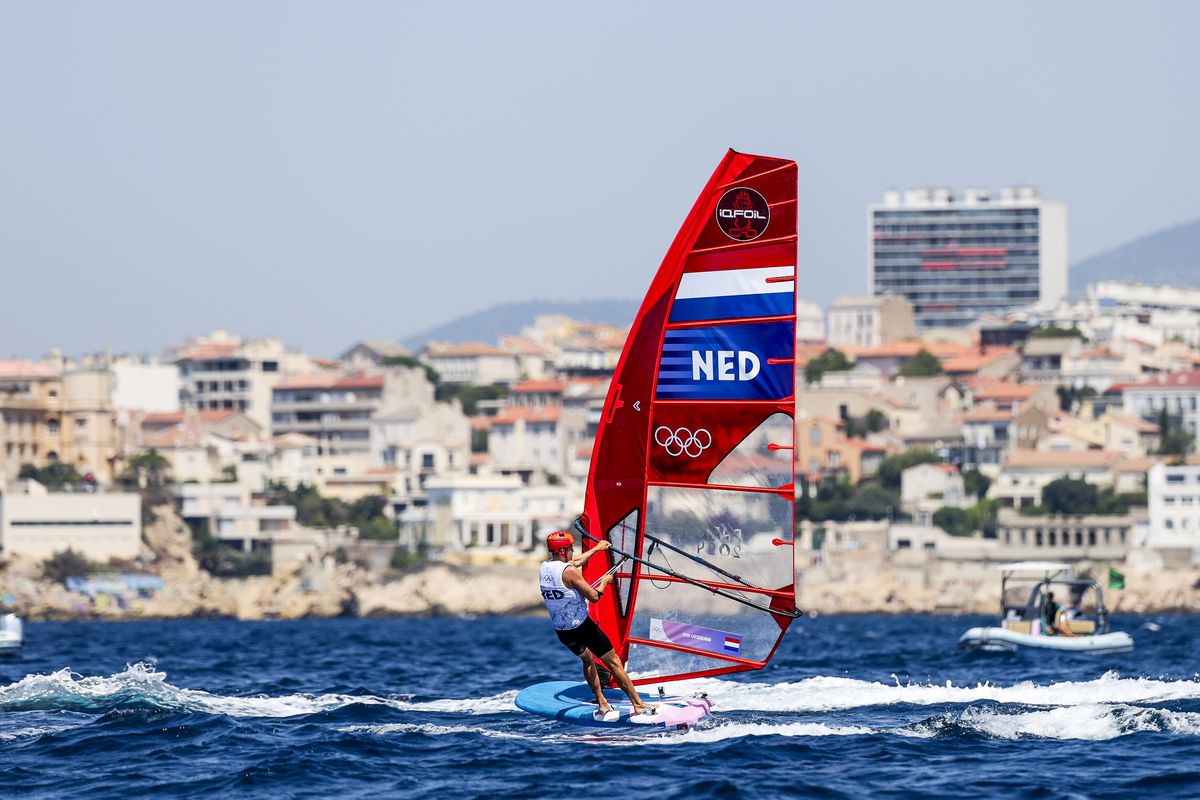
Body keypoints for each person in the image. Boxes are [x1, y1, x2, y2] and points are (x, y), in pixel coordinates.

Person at [539, 530, 652, 721]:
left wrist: (597, 549)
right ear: (563, 551)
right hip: (583, 628)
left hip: (563, 632)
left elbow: (573, 564)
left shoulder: (546, 567)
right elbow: (593, 596)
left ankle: (602, 704)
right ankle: (639, 706)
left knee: (587, 659)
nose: (573, 552)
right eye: (571, 549)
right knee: (614, 662)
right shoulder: (570, 572)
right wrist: (605, 583)